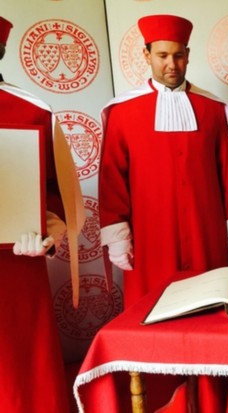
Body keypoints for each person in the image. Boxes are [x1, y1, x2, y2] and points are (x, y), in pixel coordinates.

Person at [98, 14, 228, 412]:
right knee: (151, 325)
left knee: (210, 324)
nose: (171, 64)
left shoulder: (212, 109)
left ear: (188, 55)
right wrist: (117, 235)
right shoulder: (123, 112)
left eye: (178, 56)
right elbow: (112, 178)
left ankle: (212, 402)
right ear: (146, 54)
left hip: (205, 238)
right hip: (151, 243)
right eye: (162, 55)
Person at [0, 15, 85, 413]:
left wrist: (44, 232)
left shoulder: (33, 110)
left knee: (22, 376)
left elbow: (59, 193)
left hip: (14, 268)